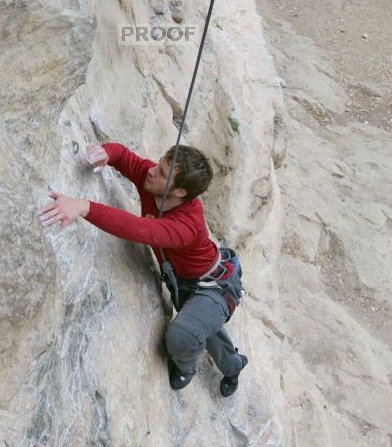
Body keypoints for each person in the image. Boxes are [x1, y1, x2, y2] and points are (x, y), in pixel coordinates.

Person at [38, 142, 248, 396]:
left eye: (161, 172)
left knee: (182, 335)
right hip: (188, 281)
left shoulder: (186, 225)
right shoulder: (157, 184)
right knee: (200, 323)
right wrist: (108, 153)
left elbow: (140, 230)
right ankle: (233, 363)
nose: (151, 171)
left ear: (180, 192)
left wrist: (84, 207)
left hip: (214, 288)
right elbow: (127, 159)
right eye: (159, 164)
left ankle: (189, 367)